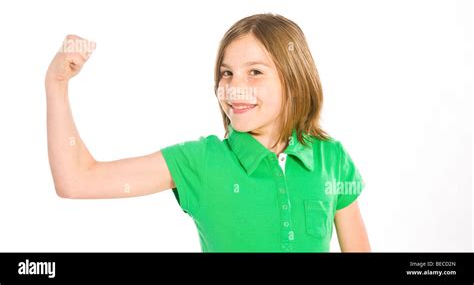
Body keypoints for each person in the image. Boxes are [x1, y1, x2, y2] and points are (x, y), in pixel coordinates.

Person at [45, 13, 370, 252]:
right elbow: (77, 180)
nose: (235, 88)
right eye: (227, 73)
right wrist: (56, 85)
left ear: (294, 81)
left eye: (255, 72)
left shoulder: (332, 158)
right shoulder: (199, 161)